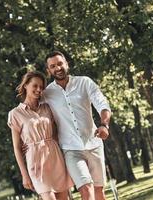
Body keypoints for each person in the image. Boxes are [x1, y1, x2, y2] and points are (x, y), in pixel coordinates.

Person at [42, 51, 111, 200]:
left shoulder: (84, 82)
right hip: (70, 149)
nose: (57, 68)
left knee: (99, 192)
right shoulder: (47, 94)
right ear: (49, 71)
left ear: (66, 63)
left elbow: (102, 104)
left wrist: (104, 125)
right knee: (86, 189)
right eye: (52, 66)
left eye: (60, 63)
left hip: (94, 144)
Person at [7, 71, 73, 200]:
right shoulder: (15, 114)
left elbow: (57, 134)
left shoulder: (48, 108)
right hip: (35, 161)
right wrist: (24, 174)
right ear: (25, 85)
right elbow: (16, 147)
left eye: (41, 87)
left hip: (55, 157)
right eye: (35, 86)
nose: (39, 90)